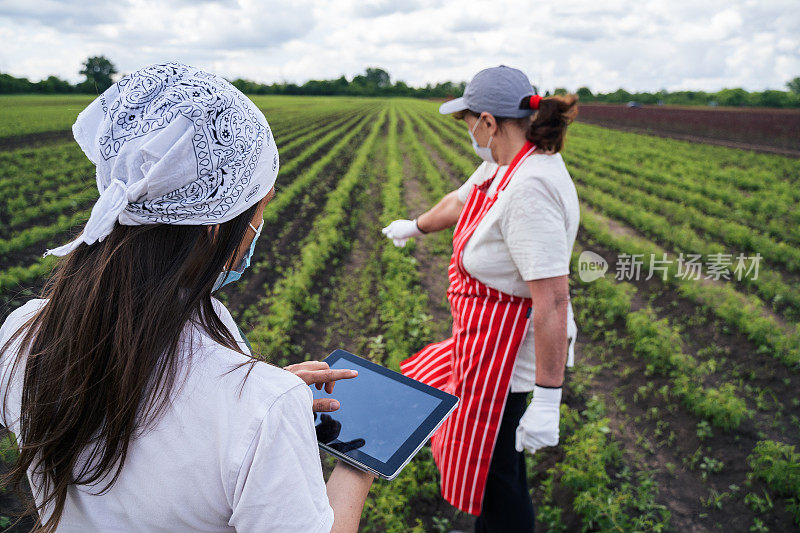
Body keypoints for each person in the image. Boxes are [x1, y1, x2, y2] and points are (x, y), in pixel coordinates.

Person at [0, 62, 373, 533]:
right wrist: (360, 463)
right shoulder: (260, 411)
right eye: (262, 206)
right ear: (218, 227)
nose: (258, 226)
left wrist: (258, 400)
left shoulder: (21, 333)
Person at [382, 65, 580, 532]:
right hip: (481, 340)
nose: (467, 130)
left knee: (499, 481)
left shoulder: (530, 188)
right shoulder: (504, 162)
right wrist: (416, 226)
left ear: (489, 122)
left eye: (468, 120)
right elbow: (458, 200)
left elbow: (552, 301)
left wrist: (549, 399)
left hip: (508, 357)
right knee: (478, 448)